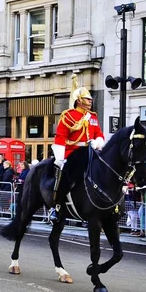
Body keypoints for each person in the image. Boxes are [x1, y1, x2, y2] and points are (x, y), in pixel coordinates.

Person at [48, 73, 105, 222]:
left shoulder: (92, 116)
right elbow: (60, 136)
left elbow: (99, 133)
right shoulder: (68, 116)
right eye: (87, 98)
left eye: (91, 99)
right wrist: (60, 158)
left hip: (90, 151)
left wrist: (97, 141)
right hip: (72, 153)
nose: (90, 101)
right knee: (64, 176)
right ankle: (56, 205)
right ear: (79, 100)